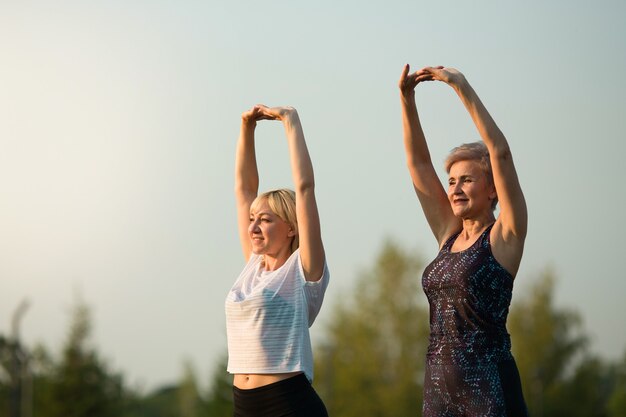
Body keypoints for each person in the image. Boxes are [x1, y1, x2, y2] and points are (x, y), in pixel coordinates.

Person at [399, 65, 529, 417]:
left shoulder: (505, 236)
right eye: (452, 180)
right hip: (438, 390)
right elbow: (418, 165)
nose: (455, 188)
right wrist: (407, 100)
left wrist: (460, 86)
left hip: (489, 391)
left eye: (467, 180)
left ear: (491, 190)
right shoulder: (448, 234)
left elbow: (500, 152)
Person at [225, 104, 330, 417]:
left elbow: (306, 188)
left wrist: (290, 121)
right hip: (244, 405)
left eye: (266, 219)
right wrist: (247, 128)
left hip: (288, 404)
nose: (254, 226)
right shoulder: (252, 267)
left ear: (291, 228)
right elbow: (243, 190)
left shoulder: (303, 271)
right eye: (252, 219)